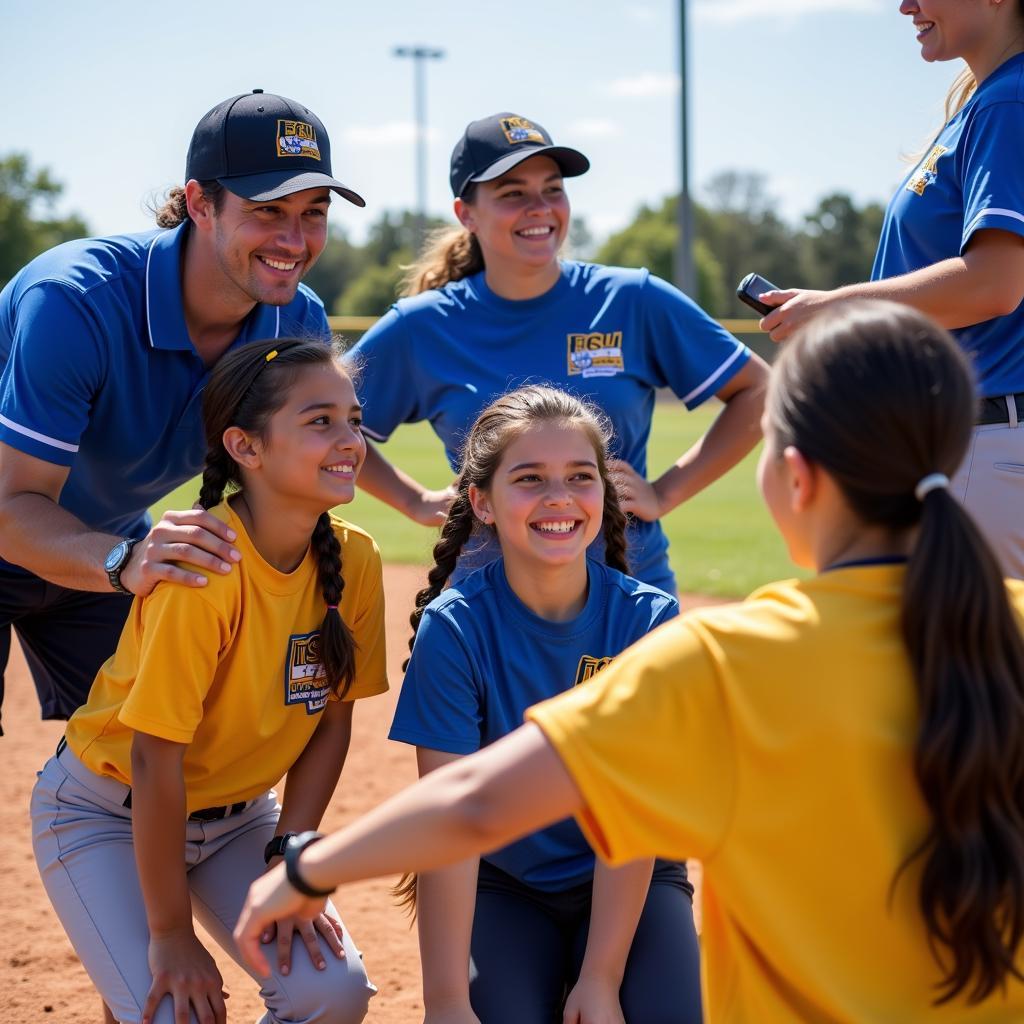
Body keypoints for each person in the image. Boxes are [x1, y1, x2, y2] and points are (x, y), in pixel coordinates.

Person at [236, 301, 1024, 1022]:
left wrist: (309, 868)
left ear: (797, 476)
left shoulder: (727, 657)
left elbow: (476, 804)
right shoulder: (1006, 620)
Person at [31, 338, 386, 1024]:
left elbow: (333, 721)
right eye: (320, 421)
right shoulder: (205, 568)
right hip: (109, 812)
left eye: (353, 417)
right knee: (178, 1009)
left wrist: (293, 858)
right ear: (246, 448)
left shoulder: (354, 559)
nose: (350, 440)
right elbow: (153, 756)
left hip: (240, 822)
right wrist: (169, 935)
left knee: (332, 994)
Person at [0, 89, 366, 735]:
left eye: (313, 212)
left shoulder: (295, 316)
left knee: (154, 744)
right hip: (39, 526)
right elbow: (11, 507)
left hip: (101, 537)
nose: (293, 238)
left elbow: (316, 443)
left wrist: (419, 500)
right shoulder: (76, 301)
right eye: (266, 210)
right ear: (200, 203)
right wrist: (121, 562)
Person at [347, 111, 768, 596]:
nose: (540, 207)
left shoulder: (631, 300)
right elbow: (326, 420)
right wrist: (415, 500)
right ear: (466, 213)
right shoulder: (422, 325)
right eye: (513, 194)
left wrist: (666, 492)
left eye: (552, 188)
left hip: (627, 594)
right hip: (488, 603)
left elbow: (759, 388)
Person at [389, 384, 700, 1024]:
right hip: (506, 883)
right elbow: (448, 821)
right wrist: (445, 1001)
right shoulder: (455, 628)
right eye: (529, 479)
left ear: (602, 494)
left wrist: (601, 979)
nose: (558, 497)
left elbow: (634, 810)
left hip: (630, 872)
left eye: (579, 477)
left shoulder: (648, 619)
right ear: (482, 503)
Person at [760, 0, 1024, 577]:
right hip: (972, 440)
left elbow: (995, 284)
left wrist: (834, 309)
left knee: (971, 663)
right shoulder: (991, 99)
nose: (905, 5)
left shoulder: (1009, 100)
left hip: (987, 441)